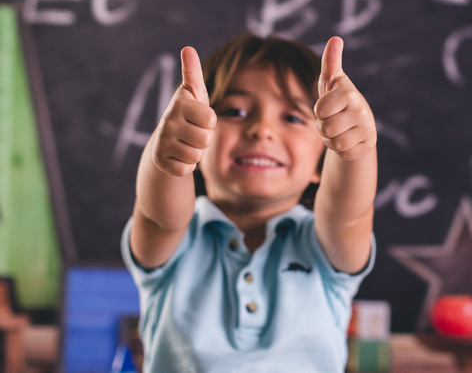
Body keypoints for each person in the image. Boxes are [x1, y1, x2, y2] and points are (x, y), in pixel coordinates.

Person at [121, 34, 377, 372]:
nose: (261, 130)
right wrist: (166, 156)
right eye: (236, 111)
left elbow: (349, 216)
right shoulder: (176, 240)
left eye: (293, 118)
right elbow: (158, 217)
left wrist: (356, 150)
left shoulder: (324, 244)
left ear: (321, 163)